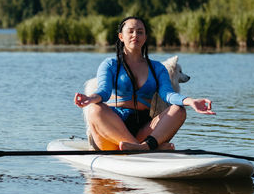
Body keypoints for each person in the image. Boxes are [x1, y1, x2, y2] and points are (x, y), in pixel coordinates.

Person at [74, 17, 215, 151]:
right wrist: (90, 99)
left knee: (178, 110)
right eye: (130, 31)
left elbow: (168, 94)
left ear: (145, 37)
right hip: (112, 126)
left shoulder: (157, 68)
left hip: (144, 129)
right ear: (121, 37)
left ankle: (141, 148)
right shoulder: (110, 64)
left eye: (140, 32)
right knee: (94, 109)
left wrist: (190, 101)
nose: (135, 34)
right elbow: (103, 92)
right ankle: (146, 148)